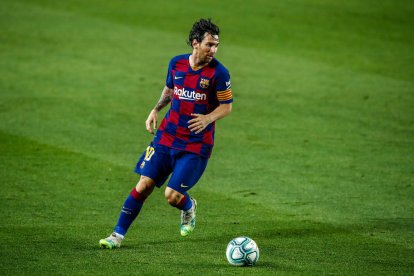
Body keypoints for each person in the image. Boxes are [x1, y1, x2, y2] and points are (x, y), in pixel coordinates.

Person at [99, 18, 233, 249]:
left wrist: (208, 118)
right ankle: (116, 236)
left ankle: (188, 207)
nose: (214, 50)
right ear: (195, 43)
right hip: (166, 137)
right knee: (143, 185)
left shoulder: (219, 74)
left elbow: (227, 106)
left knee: (172, 196)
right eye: (209, 44)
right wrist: (155, 109)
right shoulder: (176, 64)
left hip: (195, 145)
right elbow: (170, 90)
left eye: (216, 45)